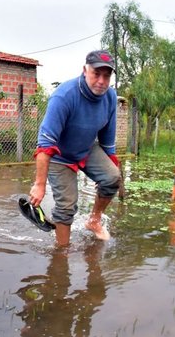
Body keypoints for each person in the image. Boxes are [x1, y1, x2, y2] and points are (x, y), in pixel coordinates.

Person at [29, 50, 122, 246]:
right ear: (84, 70)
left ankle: (94, 221)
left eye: (107, 76)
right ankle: (62, 252)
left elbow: (107, 142)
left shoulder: (110, 97)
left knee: (112, 177)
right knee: (67, 205)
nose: (101, 81)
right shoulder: (64, 96)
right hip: (59, 155)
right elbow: (45, 145)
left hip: (86, 148)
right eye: (96, 74)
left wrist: (114, 176)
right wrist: (39, 185)